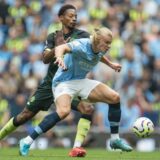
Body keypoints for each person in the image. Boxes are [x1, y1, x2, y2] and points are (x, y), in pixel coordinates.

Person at [19, 27, 133, 156]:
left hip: (80, 81)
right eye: (106, 42)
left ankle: (114, 140)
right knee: (64, 111)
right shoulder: (82, 45)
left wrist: (111, 64)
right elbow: (61, 48)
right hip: (63, 82)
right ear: (98, 40)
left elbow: (98, 56)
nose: (109, 46)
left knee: (115, 97)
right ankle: (27, 141)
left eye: (110, 43)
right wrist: (59, 57)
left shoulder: (99, 48)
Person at [0, 4, 93, 156]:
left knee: (87, 109)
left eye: (75, 16)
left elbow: (92, 49)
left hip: (70, 85)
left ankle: (76, 147)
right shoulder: (53, 36)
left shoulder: (83, 36)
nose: (74, 18)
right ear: (61, 18)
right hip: (51, 84)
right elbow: (44, 59)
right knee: (25, 115)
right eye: (70, 16)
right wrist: (57, 47)